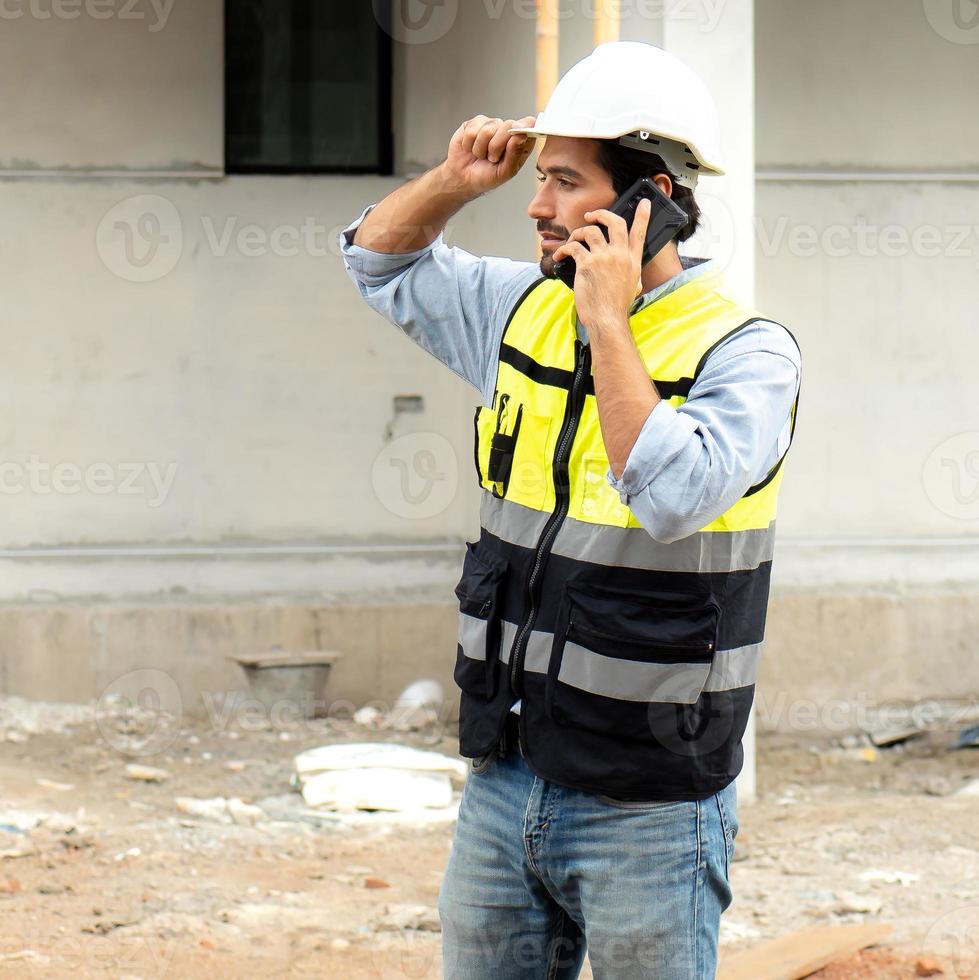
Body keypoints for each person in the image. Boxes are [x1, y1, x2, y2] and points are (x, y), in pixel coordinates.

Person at [339, 40, 801, 980]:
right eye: (537, 179)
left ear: (652, 198)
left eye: (561, 181)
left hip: (650, 802)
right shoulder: (520, 310)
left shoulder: (746, 355)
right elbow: (377, 264)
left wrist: (608, 321)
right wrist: (452, 183)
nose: (537, 206)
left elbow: (672, 493)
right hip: (507, 774)